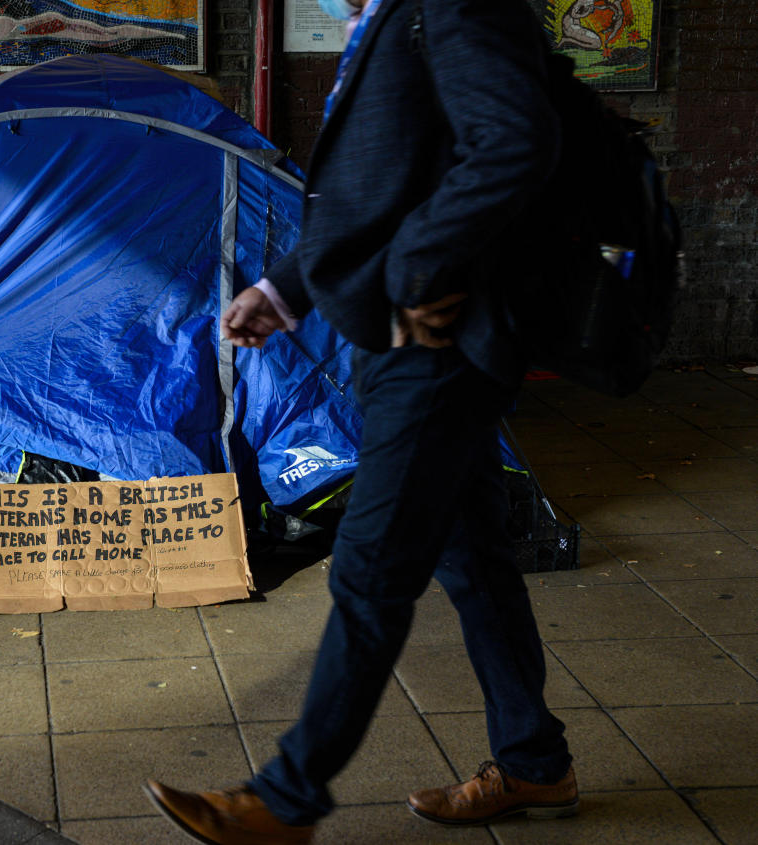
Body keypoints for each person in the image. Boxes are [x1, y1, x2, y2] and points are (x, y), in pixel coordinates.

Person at [143, 0, 578, 841]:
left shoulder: (450, 8)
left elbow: (517, 141)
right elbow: (381, 188)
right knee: (475, 561)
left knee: (371, 571)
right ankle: (535, 762)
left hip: (437, 344)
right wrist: (282, 290)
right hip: (403, 340)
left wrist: (416, 273)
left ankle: (284, 799)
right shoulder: (393, 17)